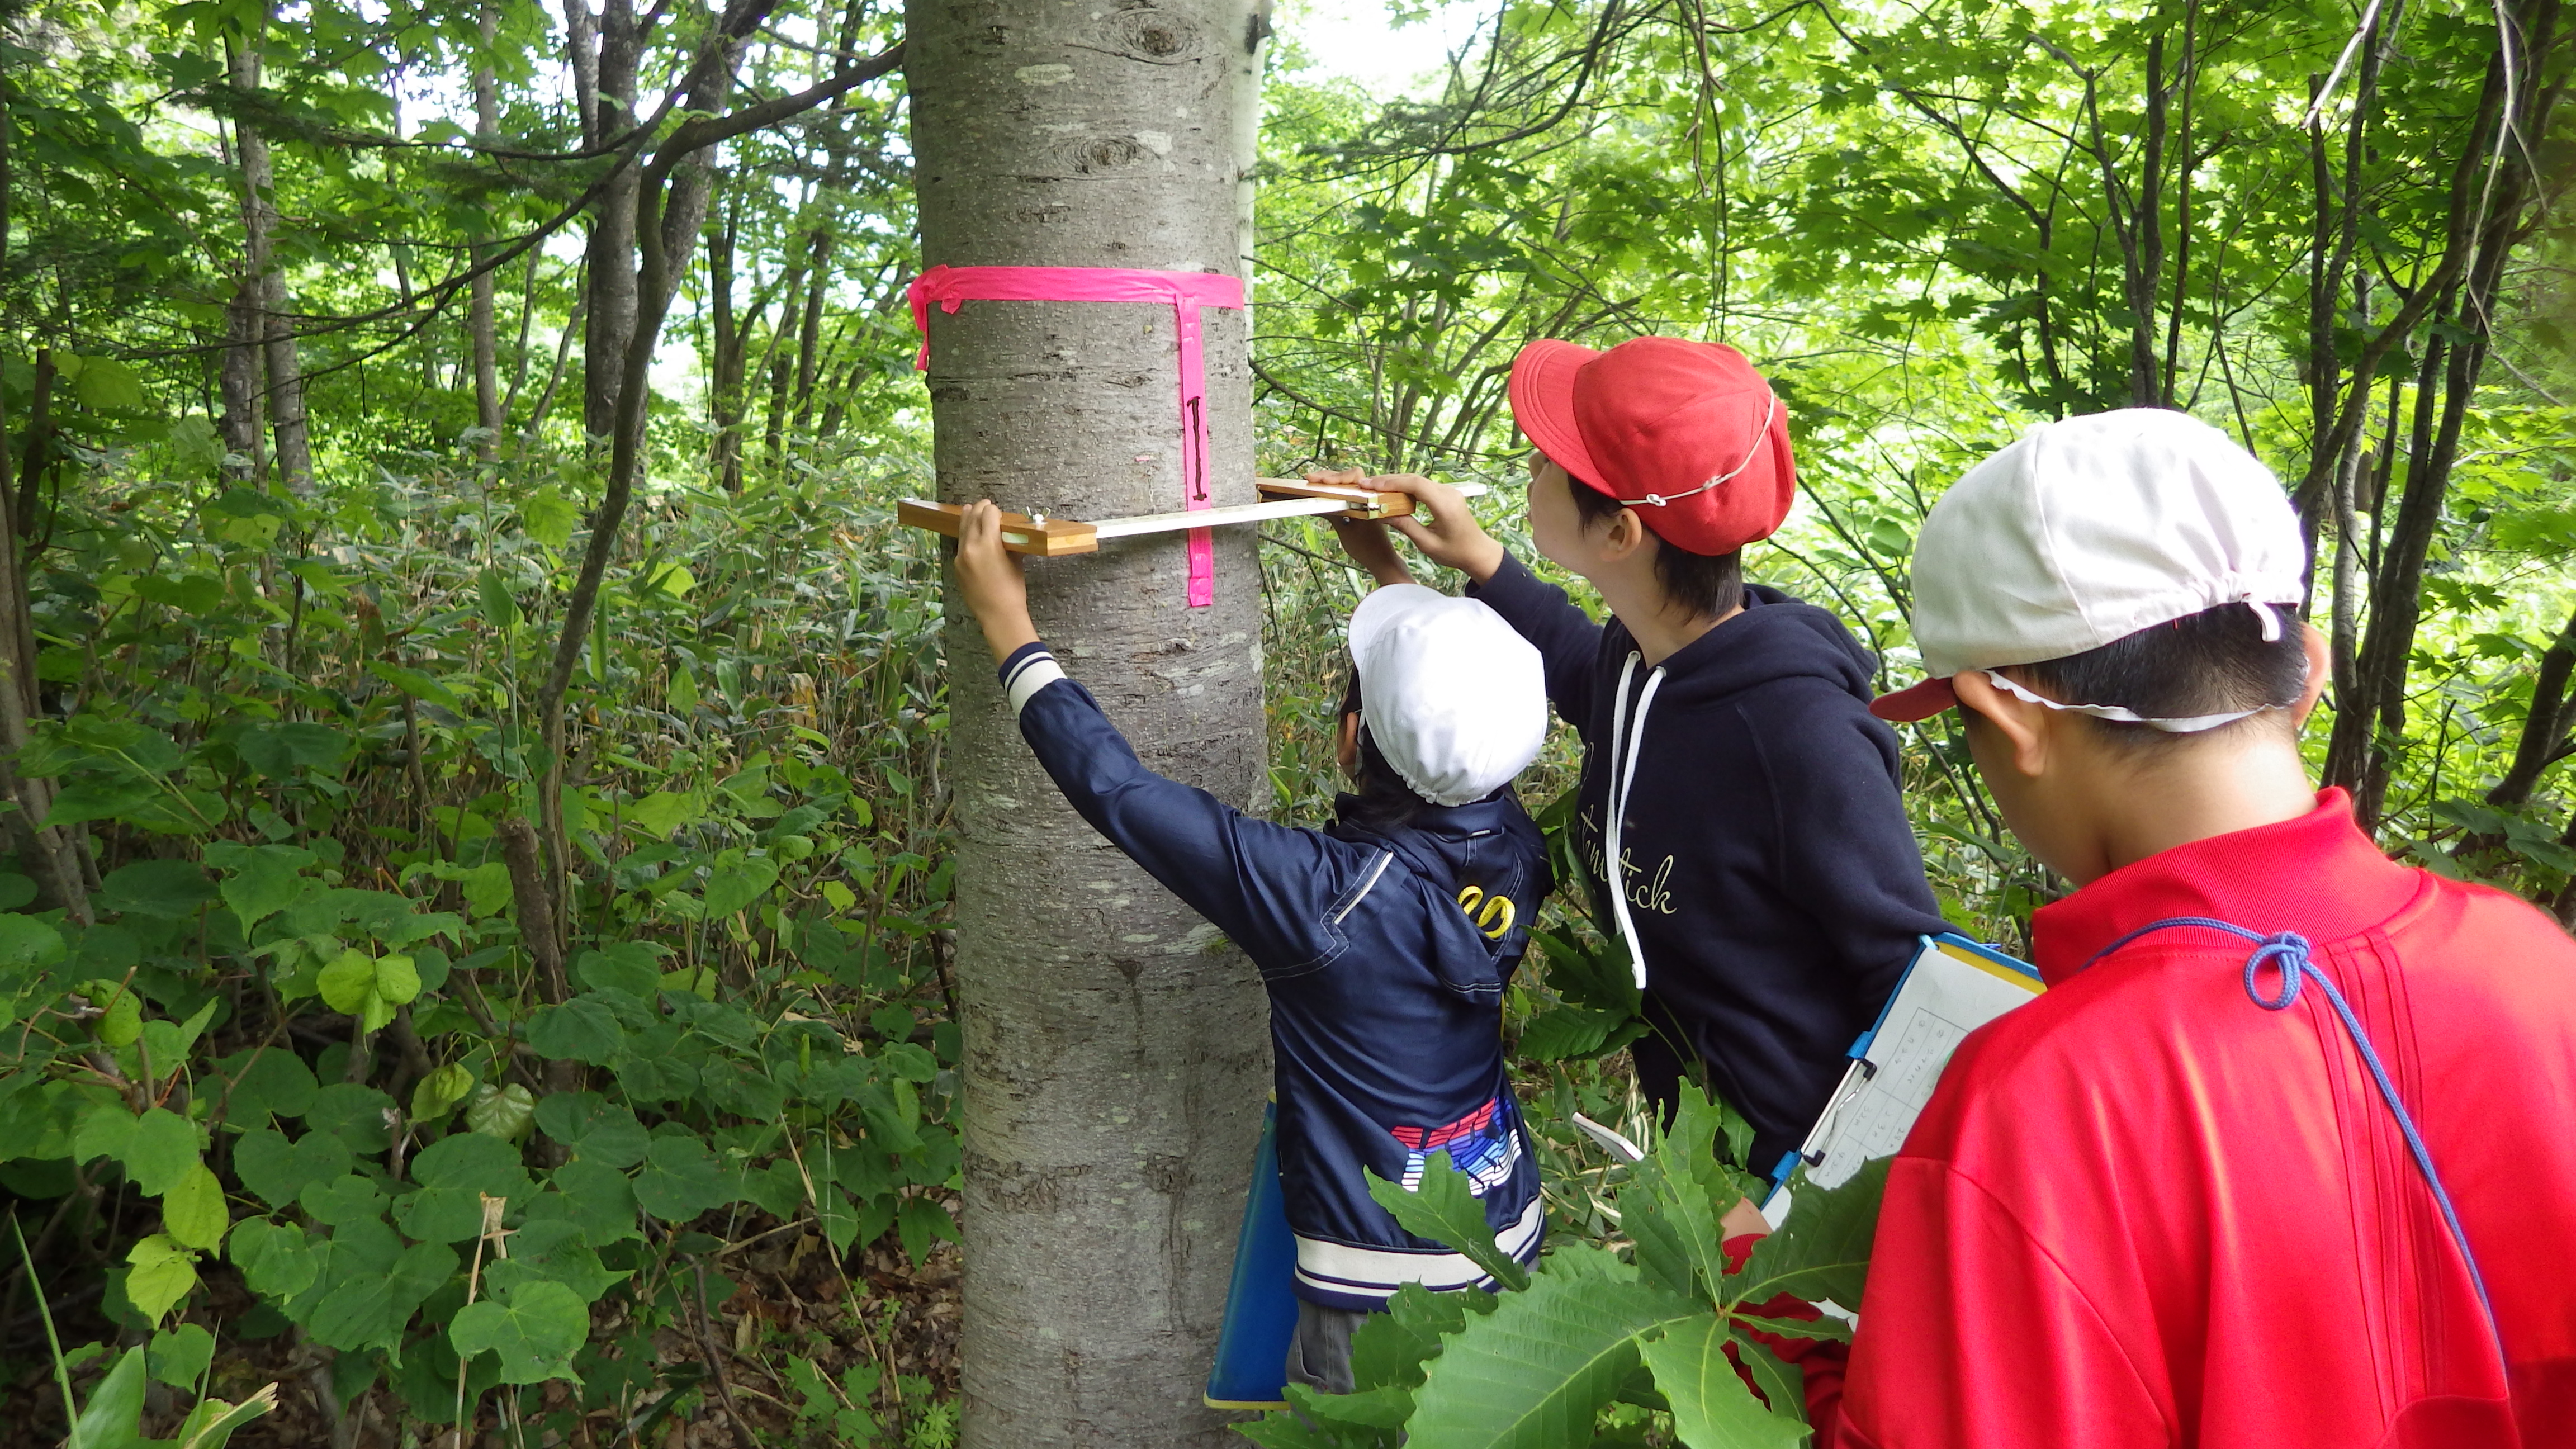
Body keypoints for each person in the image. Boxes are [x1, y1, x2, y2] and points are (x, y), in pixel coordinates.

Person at [1836, 409, 2576, 1446]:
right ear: (2307, 675)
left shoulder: (2036, 1103)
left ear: (2007, 719)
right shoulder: (2538, 964)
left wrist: (1787, 1332)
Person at [945, 499, 1556, 1396]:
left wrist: (1008, 623)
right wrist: (1388, 573)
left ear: (1352, 738)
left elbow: (1119, 791)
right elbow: (1460, 722)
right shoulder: (1513, 841)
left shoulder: (1323, 898)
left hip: (1378, 1283)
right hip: (1503, 1219)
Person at [1322, 335, 1949, 1194]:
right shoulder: (1643, 656)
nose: (1531, 472)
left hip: (1790, 1189)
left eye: (1549, 462)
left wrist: (1802, 1201)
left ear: (1619, 531)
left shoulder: (1801, 736)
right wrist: (1451, 564)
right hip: (1700, 1160)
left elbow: (1917, 989)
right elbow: (1589, 678)